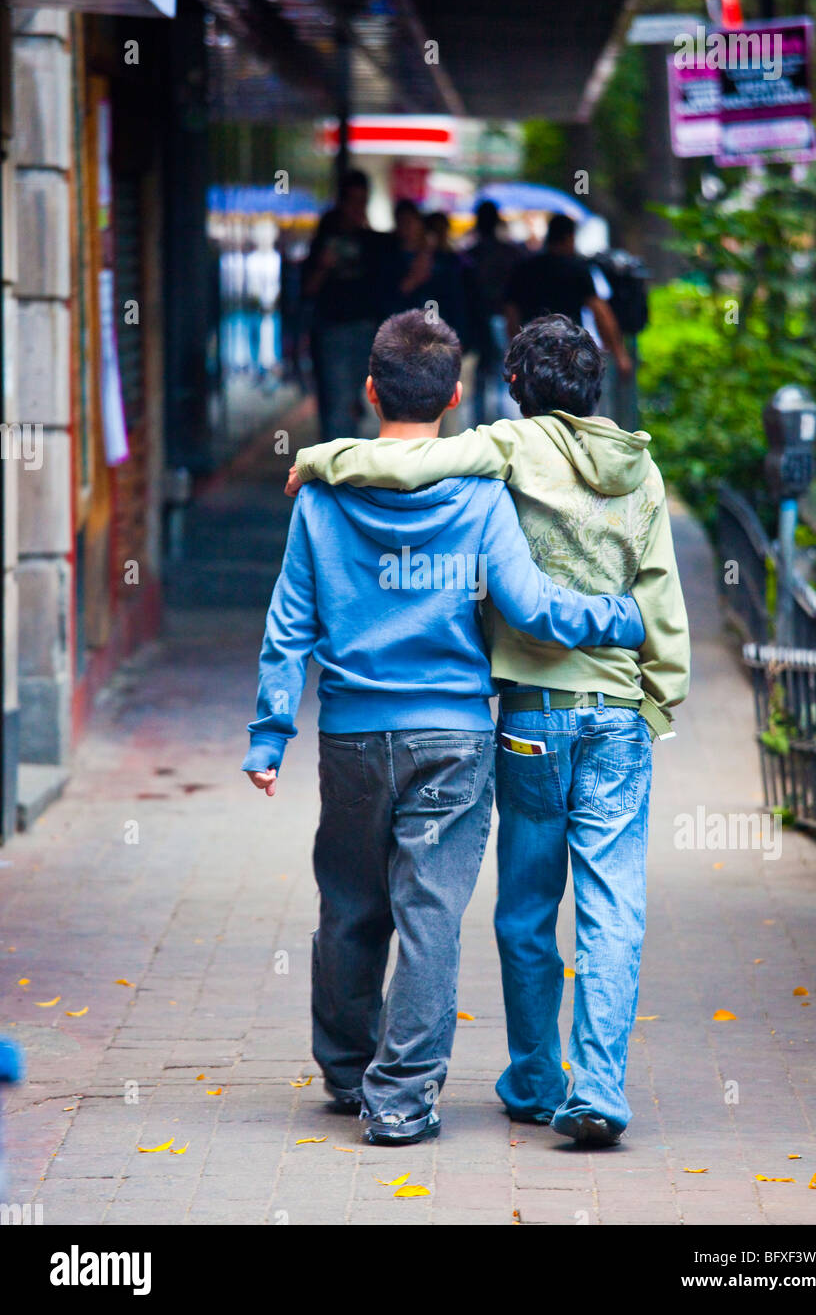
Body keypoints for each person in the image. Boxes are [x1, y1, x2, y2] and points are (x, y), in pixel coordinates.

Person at [244, 310, 645, 1147]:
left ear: (368, 390)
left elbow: (290, 626)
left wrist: (269, 734)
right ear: (457, 398)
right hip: (456, 738)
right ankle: (402, 1099)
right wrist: (620, 616)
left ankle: (349, 1069)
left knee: (350, 906)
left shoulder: (321, 497)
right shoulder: (481, 497)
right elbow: (531, 607)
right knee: (430, 916)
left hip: (352, 736)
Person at [302, 169, 388, 438]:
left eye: (362, 201)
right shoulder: (325, 239)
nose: (356, 208)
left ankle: (345, 461)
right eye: (352, 201)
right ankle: (337, 470)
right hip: (333, 330)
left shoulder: (374, 242)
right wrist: (323, 266)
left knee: (355, 402)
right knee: (338, 403)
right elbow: (308, 289)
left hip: (368, 330)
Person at [505, 214, 632, 379]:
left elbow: (510, 311)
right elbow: (601, 313)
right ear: (569, 237)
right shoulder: (578, 269)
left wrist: (516, 348)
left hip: (532, 349)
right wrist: (620, 354)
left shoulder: (525, 269)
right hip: (569, 350)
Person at [461, 200, 525, 425]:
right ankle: (503, 432)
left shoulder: (470, 255)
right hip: (505, 319)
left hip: (480, 322)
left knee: (482, 379)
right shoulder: (511, 253)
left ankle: (480, 431)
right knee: (503, 377)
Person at [388, 200, 467, 342]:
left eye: (410, 222)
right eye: (403, 222)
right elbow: (386, 301)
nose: (407, 228)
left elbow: (455, 300)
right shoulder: (390, 261)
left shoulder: (441, 260)